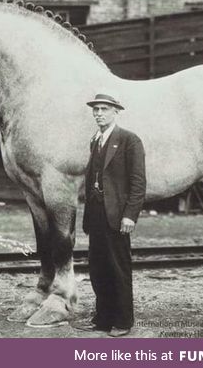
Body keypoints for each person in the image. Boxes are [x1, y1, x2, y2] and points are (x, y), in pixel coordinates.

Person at [80, 93, 146, 337]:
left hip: (118, 216)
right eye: (95, 109)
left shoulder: (129, 140)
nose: (98, 113)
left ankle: (123, 320)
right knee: (98, 268)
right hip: (96, 214)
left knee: (119, 267)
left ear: (116, 111)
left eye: (104, 109)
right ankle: (103, 318)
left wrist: (130, 216)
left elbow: (138, 183)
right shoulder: (95, 140)